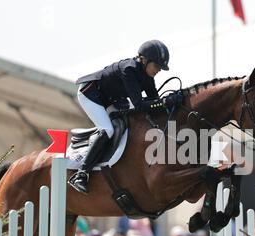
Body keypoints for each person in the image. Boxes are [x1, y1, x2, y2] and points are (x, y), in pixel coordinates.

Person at [68, 40, 183, 194]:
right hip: (91, 93)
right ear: (144, 60)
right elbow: (140, 105)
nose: (158, 71)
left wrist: (171, 101)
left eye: (160, 68)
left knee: (127, 124)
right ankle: (81, 174)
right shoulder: (129, 69)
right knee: (107, 129)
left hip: (111, 99)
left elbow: (154, 102)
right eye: (156, 66)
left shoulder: (147, 76)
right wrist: (164, 103)